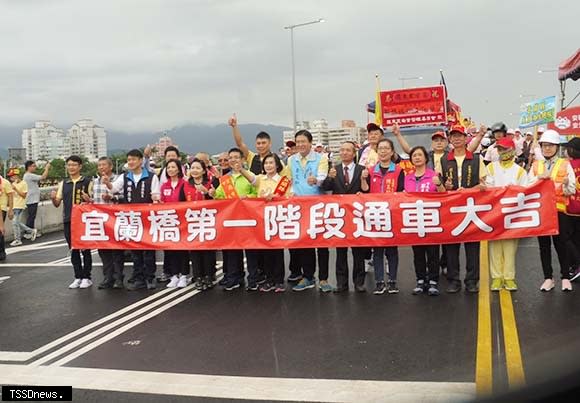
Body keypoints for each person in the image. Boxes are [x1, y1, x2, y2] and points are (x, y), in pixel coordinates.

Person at [440, 125, 487, 294]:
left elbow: (483, 185)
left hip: (471, 207)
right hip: (451, 209)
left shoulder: (475, 159)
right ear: (450, 140)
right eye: (454, 136)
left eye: (460, 136)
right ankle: (453, 280)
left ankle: (472, 280)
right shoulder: (444, 160)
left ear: (466, 138)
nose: (457, 139)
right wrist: (445, 186)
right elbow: (439, 186)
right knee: (451, 246)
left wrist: (466, 191)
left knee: (472, 246)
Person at [528, 130, 576, 292]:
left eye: (550, 146)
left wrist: (567, 183)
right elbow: (527, 187)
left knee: (561, 244)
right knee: (544, 246)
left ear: (557, 147)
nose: (547, 149)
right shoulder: (536, 165)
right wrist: (539, 179)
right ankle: (548, 278)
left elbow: (570, 191)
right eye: (544, 146)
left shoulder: (565, 164)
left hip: (559, 211)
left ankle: (565, 277)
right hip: (540, 212)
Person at [108, 149, 161, 291]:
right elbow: (113, 189)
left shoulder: (151, 177)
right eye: (128, 160)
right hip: (132, 219)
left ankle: (150, 277)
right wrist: (107, 183)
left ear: (140, 161)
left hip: (148, 219)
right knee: (135, 250)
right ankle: (139, 278)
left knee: (149, 250)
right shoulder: (125, 177)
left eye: (133, 159)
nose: (130, 162)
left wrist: (155, 203)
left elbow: (156, 195)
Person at [321, 141, 368, 293]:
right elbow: (325, 188)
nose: (345, 153)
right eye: (342, 150)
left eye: (348, 150)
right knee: (340, 251)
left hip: (356, 215)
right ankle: (342, 283)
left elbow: (367, 191)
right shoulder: (334, 170)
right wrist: (329, 178)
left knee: (358, 251)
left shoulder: (362, 170)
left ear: (354, 154)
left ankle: (359, 282)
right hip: (339, 216)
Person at [286, 130, 329, 292]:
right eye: (298, 142)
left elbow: (323, 178)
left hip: (318, 206)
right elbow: (288, 181)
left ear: (310, 143)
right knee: (305, 243)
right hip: (299, 207)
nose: (301, 145)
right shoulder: (291, 160)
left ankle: (324, 279)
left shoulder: (321, 158)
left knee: (322, 244)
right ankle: (308, 277)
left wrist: (316, 181)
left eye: (304, 141)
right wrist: (289, 192)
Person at [484, 138, 529, 291]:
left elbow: (526, 191)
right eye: (500, 149)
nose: (502, 152)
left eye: (505, 149)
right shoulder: (490, 167)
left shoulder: (520, 171)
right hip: (494, 214)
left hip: (512, 214)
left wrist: (514, 191)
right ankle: (496, 277)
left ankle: (509, 277)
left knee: (510, 247)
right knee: (494, 246)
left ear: (512, 150)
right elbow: (488, 187)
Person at [241, 153, 291, 293]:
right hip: (262, 220)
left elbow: (289, 197)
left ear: (277, 165)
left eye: (271, 163)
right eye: (266, 163)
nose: (268, 165)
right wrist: (240, 169)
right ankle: (269, 280)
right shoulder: (260, 179)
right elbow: (250, 177)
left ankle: (279, 281)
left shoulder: (283, 181)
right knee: (266, 251)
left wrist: (275, 198)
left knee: (277, 251)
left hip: (277, 219)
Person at [361, 138, 405, 295]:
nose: (383, 151)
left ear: (392, 151)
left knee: (392, 250)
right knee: (377, 251)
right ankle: (379, 282)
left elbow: (401, 192)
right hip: (375, 214)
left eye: (387, 148)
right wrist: (362, 178)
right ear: (376, 151)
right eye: (380, 148)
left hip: (392, 214)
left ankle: (392, 281)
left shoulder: (399, 171)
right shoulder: (371, 170)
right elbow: (365, 191)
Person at [403, 146, 446, 296]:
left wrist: (439, 184)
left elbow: (444, 195)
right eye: (414, 155)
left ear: (426, 158)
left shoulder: (434, 175)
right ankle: (420, 279)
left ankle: (433, 281)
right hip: (414, 220)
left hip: (431, 219)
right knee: (418, 253)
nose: (417, 158)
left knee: (433, 252)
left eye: (420, 155)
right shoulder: (407, 177)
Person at [214, 147, 258, 290]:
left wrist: (248, 198)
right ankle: (235, 277)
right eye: (230, 158)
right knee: (233, 250)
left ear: (242, 159)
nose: (233, 160)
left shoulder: (249, 175)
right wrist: (212, 192)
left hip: (248, 219)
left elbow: (258, 193)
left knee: (250, 251)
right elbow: (219, 197)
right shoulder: (225, 179)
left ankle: (253, 279)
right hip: (231, 220)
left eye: (236, 157)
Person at [50, 155, 94, 289]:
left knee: (85, 249)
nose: (71, 167)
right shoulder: (64, 183)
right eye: (69, 165)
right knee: (73, 249)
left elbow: (94, 202)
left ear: (80, 166)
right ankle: (77, 276)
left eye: (74, 165)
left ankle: (87, 276)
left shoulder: (87, 181)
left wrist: (89, 200)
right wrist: (53, 198)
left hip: (83, 220)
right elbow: (57, 203)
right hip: (69, 219)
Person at [87, 157, 125, 289]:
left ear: (110, 167)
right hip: (100, 220)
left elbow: (124, 196)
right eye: (99, 165)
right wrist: (89, 200)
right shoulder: (95, 181)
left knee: (116, 250)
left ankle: (118, 277)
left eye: (104, 165)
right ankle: (107, 277)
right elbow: (96, 200)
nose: (101, 167)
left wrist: (112, 197)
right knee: (103, 250)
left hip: (114, 219)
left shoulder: (118, 179)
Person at [181, 158, 217, 291]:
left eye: (198, 168)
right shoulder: (185, 185)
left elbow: (216, 202)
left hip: (208, 221)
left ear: (203, 170)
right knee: (195, 251)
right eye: (192, 168)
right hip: (192, 222)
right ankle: (198, 276)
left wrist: (208, 193)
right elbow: (179, 203)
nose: (195, 170)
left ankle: (209, 275)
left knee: (208, 250)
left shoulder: (210, 183)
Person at [159, 159, 189, 289]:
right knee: (171, 250)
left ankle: (184, 275)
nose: (171, 169)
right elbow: (162, 202)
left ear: (179, 169)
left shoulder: (185, 183)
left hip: (183, 221)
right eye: (168, 167)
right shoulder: (164, 186)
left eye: (173, 167)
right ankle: (174, 275)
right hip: (169, 222)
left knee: (182, 250)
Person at [563, 137, 580, 281]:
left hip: (570, 207)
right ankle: (574, 267)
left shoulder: (567, 165)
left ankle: (576, 265)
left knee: (566, 238)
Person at [6, 168, 37, 246]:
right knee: (16, 222)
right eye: (10, 177)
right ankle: (31, 231)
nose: (11, 178)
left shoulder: (23, 183)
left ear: (16, 176)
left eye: (12, 176)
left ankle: (18, 239)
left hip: (19, 205)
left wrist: (15, 188)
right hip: (14, 205)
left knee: (15, 223)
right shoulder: (12, 184)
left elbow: (24, 195)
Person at [23, 160, 50, 234]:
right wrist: (47, 168)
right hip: (31, 199)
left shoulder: (27, 175)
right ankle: (28, 232)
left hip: (31, 199)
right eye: (33, 166)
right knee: (31, 216)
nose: (35, 167)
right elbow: (43, 177)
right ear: (29, 167)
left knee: (32, 216)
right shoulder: (29, 175)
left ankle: (31, 231)